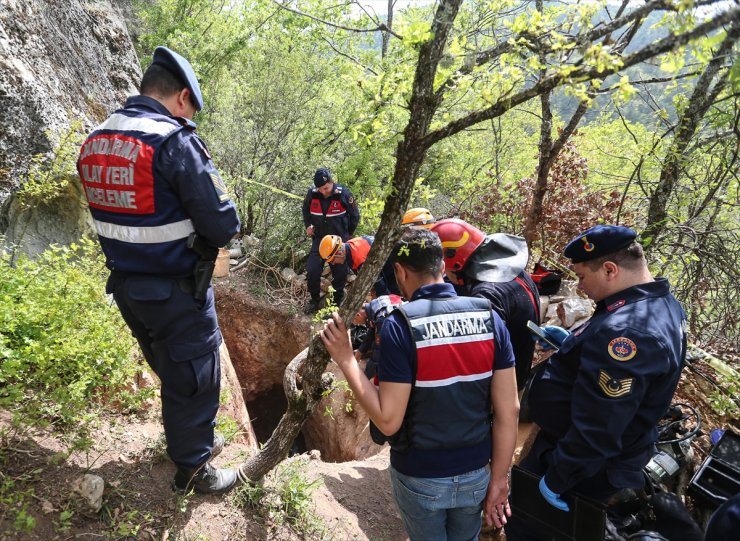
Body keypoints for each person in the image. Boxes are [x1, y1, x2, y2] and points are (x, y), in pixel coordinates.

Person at [77, 46, 240, 495]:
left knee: (172, 368)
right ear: (183, 97)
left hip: (128, 290)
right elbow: (223, 223)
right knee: (194, 378)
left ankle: (196, 440)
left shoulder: (96, 138)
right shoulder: (174, 141)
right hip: (176, 292)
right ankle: (193, 470)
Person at [320, 227, 520, 540]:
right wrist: (499, 479)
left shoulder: (401, 326)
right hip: (476, 472)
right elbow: (510, 411)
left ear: (399, 271)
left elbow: (388, 421)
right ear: (443, 266)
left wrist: (346, 359)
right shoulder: (489, 318)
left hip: (421, 474)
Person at [505, 225, 687, 541]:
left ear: (609, 269)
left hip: (583, 467)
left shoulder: (629, 333)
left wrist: (558, 477)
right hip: (587, 457)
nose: (579, 285)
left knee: (531, 528)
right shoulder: (655, 304)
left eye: (582, 276)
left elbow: (599, 427)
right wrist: (573, 347)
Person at [431, 219, 540, 390]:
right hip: (518, 376)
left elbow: (479, 357)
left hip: (499, 394)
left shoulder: (487, 295)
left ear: (453, 263)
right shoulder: (512, 269)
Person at [302, 168, 360, 314]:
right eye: (320, 189)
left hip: (339, 241)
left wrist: (347, 235)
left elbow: (355, 216)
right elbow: (305, 211)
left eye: (326, 188)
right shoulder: (313, 194)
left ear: (331, 182)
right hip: (320, 240)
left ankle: (335, 304)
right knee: (313, 270)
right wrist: (308, 226)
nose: (323, 191)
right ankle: (315, 300)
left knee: (340, 274)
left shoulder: (344, 195)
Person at [319, 234, 399, 300]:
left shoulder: (360, 260)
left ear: (339, 253)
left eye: (332, 260)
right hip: (386, 264)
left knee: (392, 297)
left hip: (392, 269)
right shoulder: (350, 245)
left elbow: (380, 286)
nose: (333, 264)